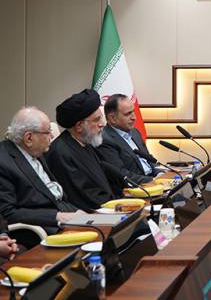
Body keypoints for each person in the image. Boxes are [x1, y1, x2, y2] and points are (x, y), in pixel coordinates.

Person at [0, 107, 81, 241]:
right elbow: (8, 212)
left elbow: (54, 193)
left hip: (70, 218)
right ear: (29, 138)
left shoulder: (36, 151)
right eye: (48, 132)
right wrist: (57, 217)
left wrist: (79, 214)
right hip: (45, 229)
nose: (52, 137)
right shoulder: (3, 162)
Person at [46, 89, 123, 211]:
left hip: (109, 208)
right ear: (79, 126)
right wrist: (120, 205)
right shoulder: (60, 154)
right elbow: (85, 198)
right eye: (97, 120)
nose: (103, 124)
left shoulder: (86, 143)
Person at [97, 94, 157, 184]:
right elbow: (121, 174)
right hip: (135, 188)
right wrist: (154, 181)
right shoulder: (105, 140)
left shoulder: (135, 132)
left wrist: (161, 172)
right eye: (128, 114)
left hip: (152, 180)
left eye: (133, 112)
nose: (134, 118)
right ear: (112, 118)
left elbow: (149, 160)